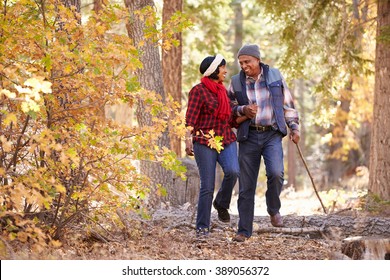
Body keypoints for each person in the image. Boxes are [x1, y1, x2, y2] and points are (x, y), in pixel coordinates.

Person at [228, 44, 300, 242]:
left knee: (276, 173)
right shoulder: (235, 82)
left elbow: (288, 104)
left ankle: (273, 209)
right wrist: (243, 110)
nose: (244, 66)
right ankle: (243, 230)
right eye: (241, 62)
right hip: (248, 136)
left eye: (247, 61)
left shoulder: (275, 76)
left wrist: (294, 128)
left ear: (257, 60)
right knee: (246, 185)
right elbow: (229, 108)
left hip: (271, 134)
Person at [185, 54, 240, 237]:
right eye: (223, 67)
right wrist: (187, 139)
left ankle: (221, 203)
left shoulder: (223, 91)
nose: (225, 71)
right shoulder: (198, 91)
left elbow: (231, 118)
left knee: (233, 171)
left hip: (225, 138)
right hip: (204, 141)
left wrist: (247, 114)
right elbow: (191, 118)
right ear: (215, 70)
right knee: (207, 186)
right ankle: (202, 228)